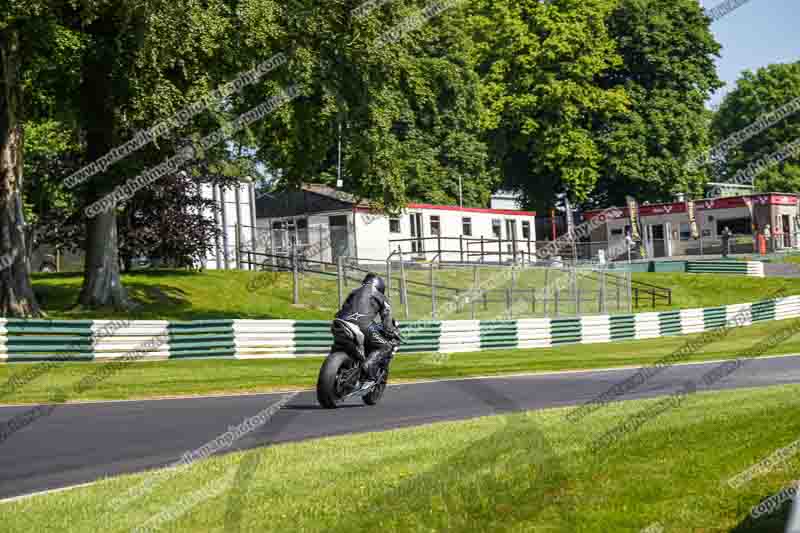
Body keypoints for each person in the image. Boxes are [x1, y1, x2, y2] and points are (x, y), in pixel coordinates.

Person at [334, 272, 400, 387]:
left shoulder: (353, 292)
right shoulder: (381, 297)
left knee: (338, 345)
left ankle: (338, 365)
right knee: (386, 346)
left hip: (341, 322)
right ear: (380, 287)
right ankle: (368, 365)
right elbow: (387, 322)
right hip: (364, 325)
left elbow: (343, 309)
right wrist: (393, 332)